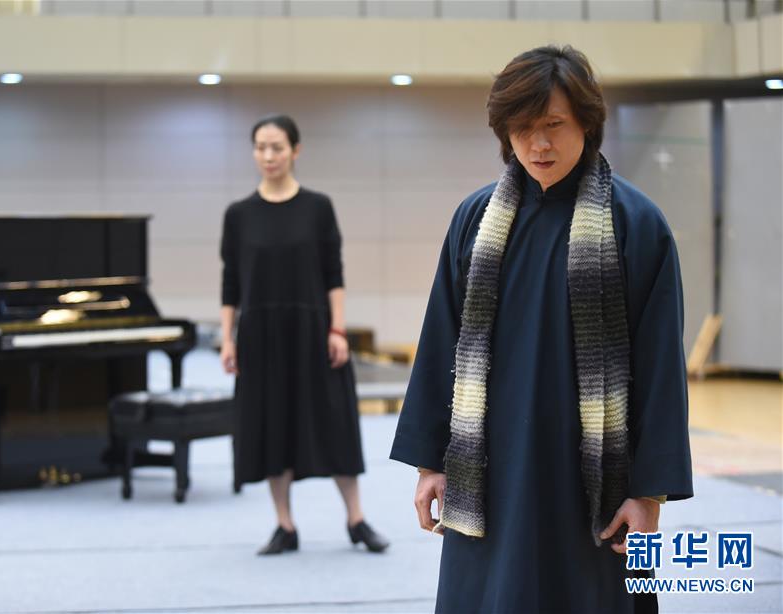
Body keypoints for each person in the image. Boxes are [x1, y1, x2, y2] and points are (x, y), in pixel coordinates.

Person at [390, 46, 693, 613]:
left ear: (587, 122)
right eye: (523, 128)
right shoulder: (475, 219)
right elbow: (439, 343)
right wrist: (430, 463)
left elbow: (661, 370)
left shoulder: (637, 224)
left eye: (553, 125)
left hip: (591, 483)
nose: (538, 145)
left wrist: (649, 493)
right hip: (488, 473)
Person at [220, 114, 389, 556]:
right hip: (260, 336)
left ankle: (356, 519)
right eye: (260, 147)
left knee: (335, 420)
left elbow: (334, 274)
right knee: (272, 423)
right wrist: (227, 338)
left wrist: (337, 329)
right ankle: (285, 525)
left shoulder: (318, 207)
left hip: (314, 331)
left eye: (277, 147)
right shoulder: (239, 215)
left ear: (296, 150)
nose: (268, 155)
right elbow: (230, 283)